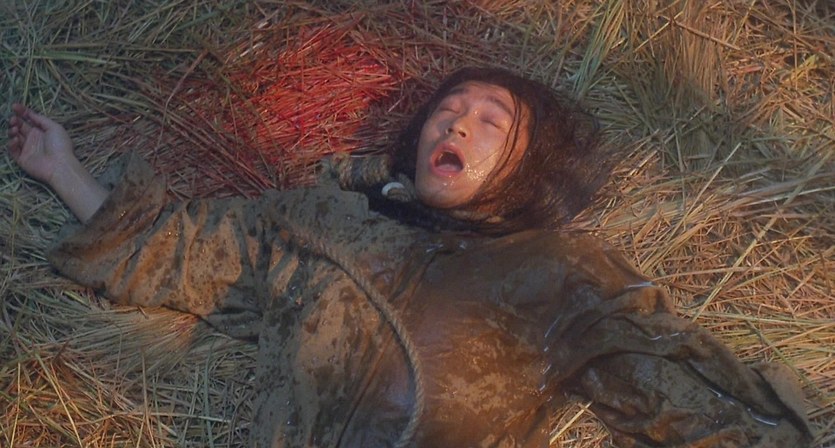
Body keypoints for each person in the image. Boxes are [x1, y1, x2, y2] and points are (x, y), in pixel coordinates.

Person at [7, 67, 813, 447]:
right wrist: (62, 170)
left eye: (490, 121)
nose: (455, 124)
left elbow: (680, 399)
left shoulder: (558, 273)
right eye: (446, 111)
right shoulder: (323, 223)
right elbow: (174, 248)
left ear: (529, 164)